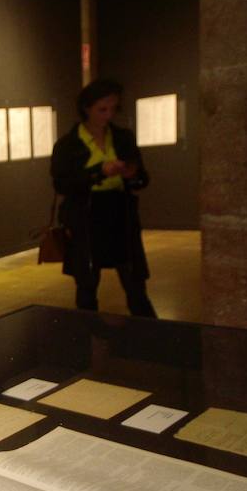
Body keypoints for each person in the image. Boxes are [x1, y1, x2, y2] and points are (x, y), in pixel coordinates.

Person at [51, 79, 156, 316]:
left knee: (135, 284)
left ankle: (149, 334)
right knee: (87, 286)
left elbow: (142, 178)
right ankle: (88, 335)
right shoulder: (68, 145)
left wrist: (132, 174)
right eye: (102, 109)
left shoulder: (122, 137)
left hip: (120, 215)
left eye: (113, 109)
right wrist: (98, 172)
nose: (108, 115)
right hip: (86, 217)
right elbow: (61, 184)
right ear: (86, 108)